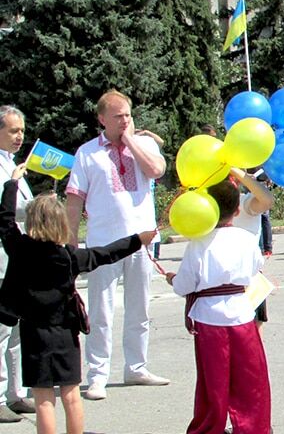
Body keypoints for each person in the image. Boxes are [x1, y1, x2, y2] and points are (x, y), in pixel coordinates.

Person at [1, 163, 156, 434]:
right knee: (71, 395)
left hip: (34, 333)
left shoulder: (19, 248)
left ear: (31, 222)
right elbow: (106, 253)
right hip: (65, 332)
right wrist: (137, 240)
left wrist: (11, 185)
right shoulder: (69, 257)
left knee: (44, 401)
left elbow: (4, 221)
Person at [65, 90, 170, 401]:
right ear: (101, 119)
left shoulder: (145, 145)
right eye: (117, 116)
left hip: (142, 240)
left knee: (140, 307)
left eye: (127, 114)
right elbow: (74, 201)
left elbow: (156, 171)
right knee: (101, 311)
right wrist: (71, 240)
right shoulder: (87, 153)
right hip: (102, 244)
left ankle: (136, 366)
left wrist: (131, 140)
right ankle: (97, 374)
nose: (124, 120)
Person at [166, 179, 271, 434]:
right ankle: (252, 426)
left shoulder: (199, 242)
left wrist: (172, 279)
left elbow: (184, 285)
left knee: (212, 380)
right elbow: (256, 267)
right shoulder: (246, 239)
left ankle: (210, 426)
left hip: (208, 317)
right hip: (241, 312)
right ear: (237, 210)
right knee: (250, 377)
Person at [0, 106, 33, 421]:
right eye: (13, 131)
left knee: (17, 331)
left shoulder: (12, 165)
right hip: (1, 259)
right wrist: (35, 207)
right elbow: (7, 210)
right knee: (0, 330)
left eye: (21, 130)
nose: (19, 136)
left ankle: (16, 393)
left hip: (18, 259)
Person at [228, 168, 274, 331]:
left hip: (249, 281)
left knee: (253, 334)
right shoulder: (205, 206)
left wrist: (235, 170)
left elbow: (267, 200)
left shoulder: (244, 202)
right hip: (219, 283)